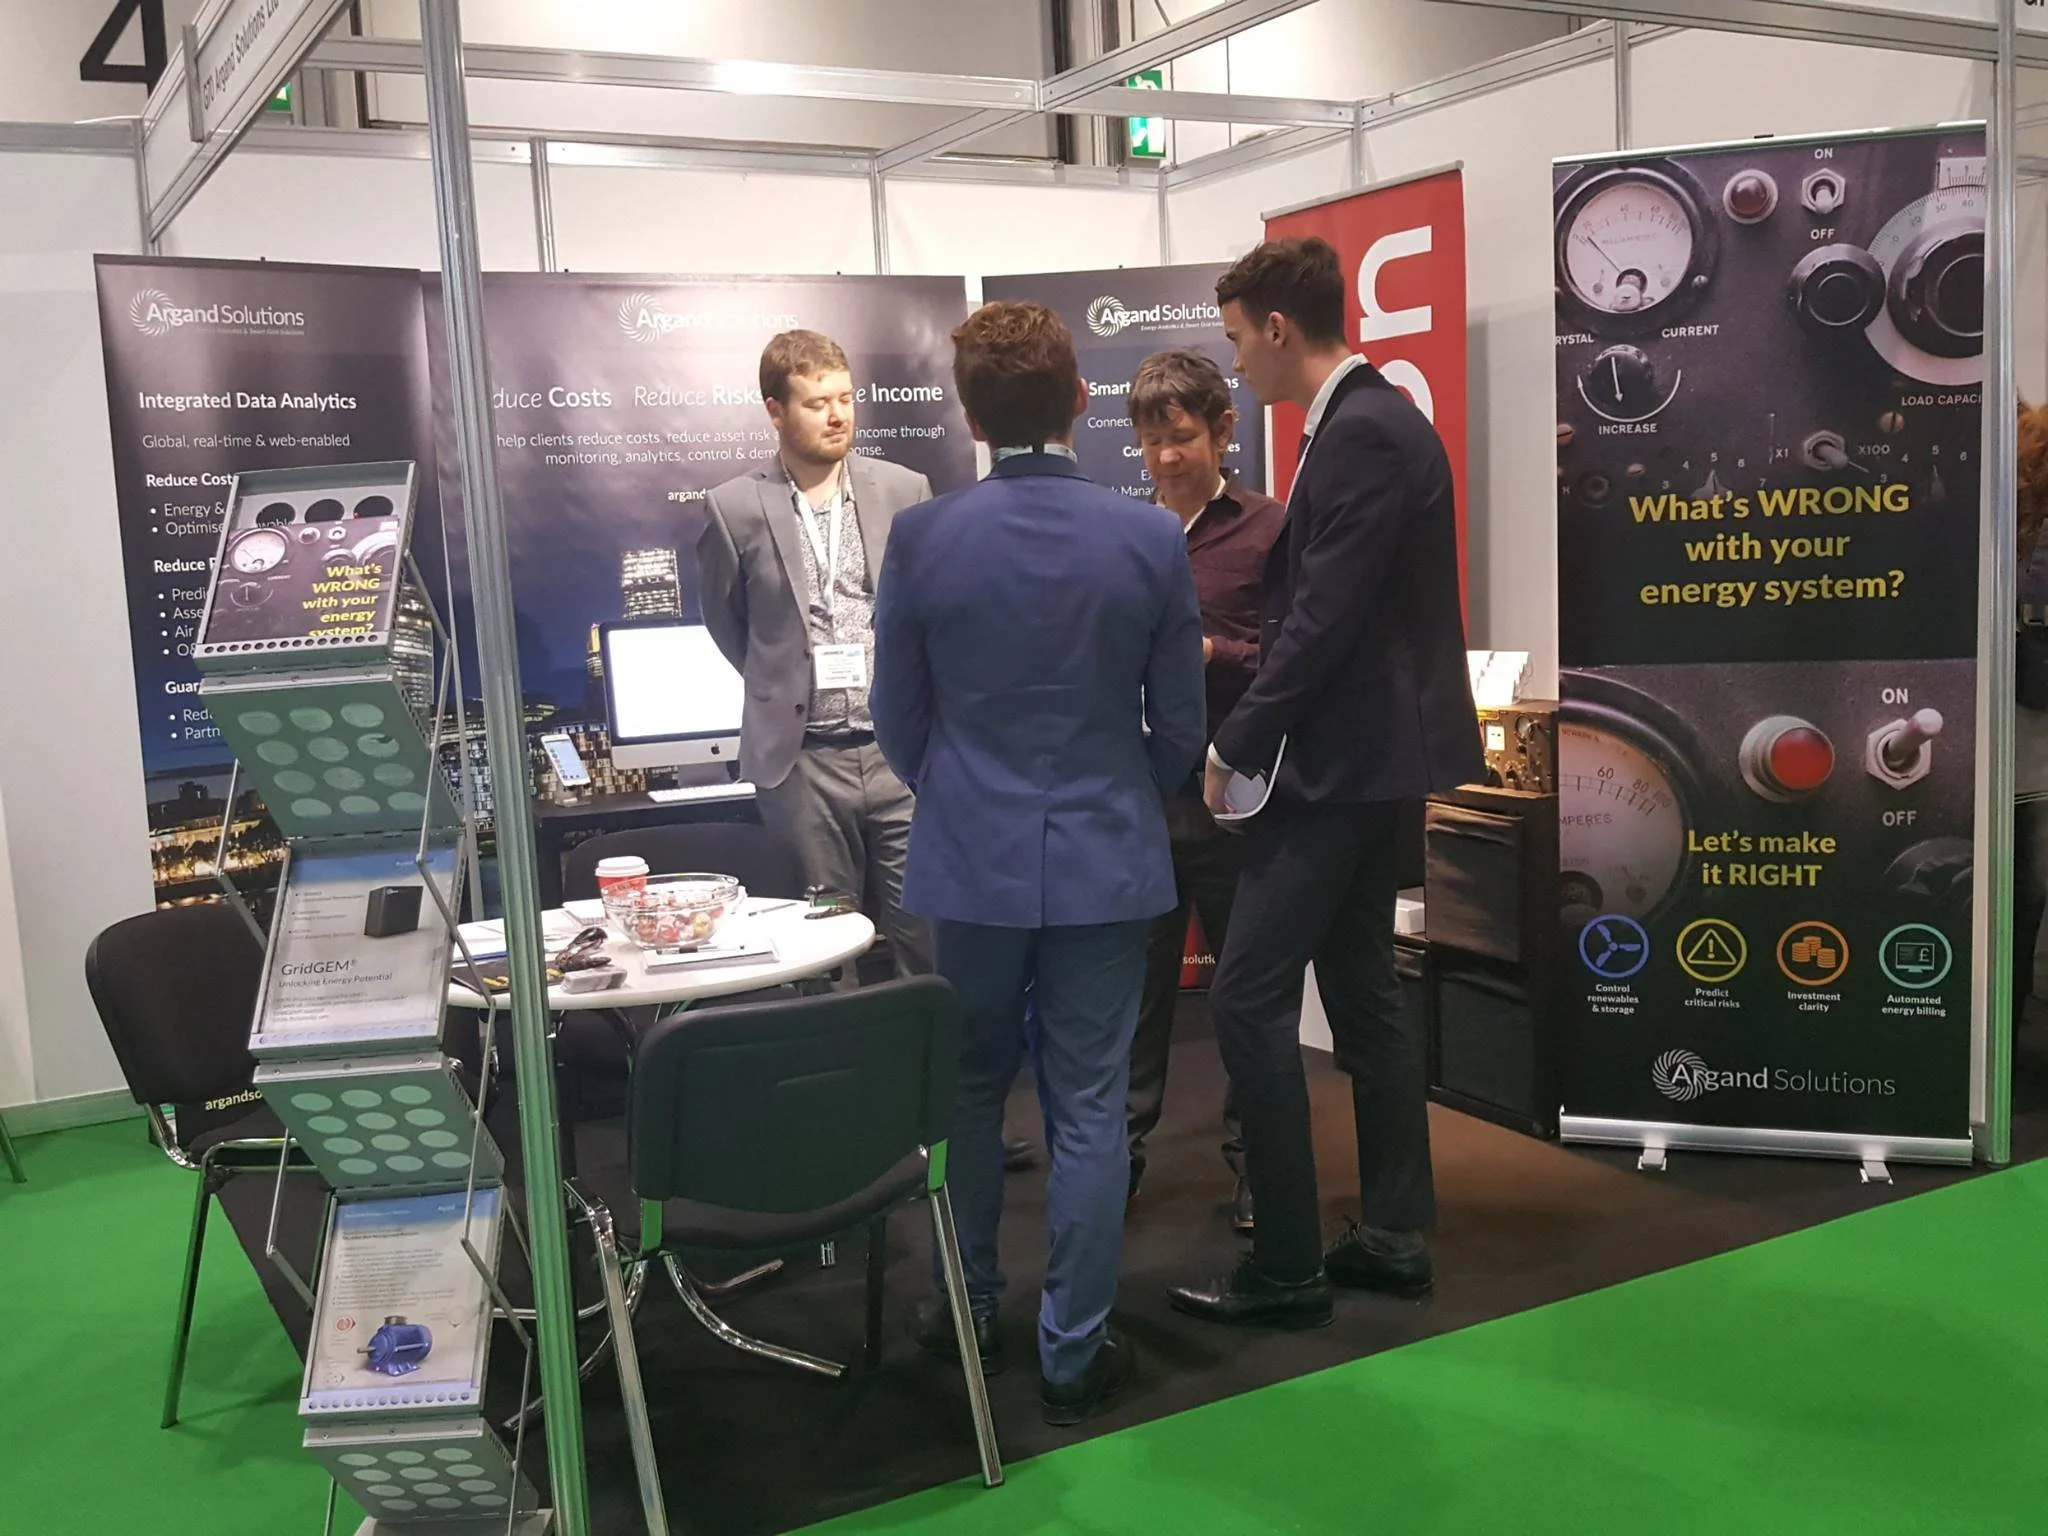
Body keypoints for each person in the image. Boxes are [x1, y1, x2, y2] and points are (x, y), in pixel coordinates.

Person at [871, 300, 1207, 1424]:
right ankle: (1074, 1348)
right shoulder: (1151, 535)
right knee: (1089, 1106)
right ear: (1078, 402)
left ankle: (965, 1311)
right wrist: (1119, 786)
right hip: (1110, 859)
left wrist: (966, 795)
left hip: (971, 860)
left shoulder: (922, 537)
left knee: (965, 1093)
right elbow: (1183, 730)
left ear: (969, 415)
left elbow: (896, 721)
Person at [1167, 237, 1482, 1330]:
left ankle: (1286, 1264)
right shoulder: (1367, 422)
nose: (1235, 363)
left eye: (1237, 337)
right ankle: (1392, 1235)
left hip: (1341, 771)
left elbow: (1320, 622)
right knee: (1361, 995)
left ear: (1277, 328)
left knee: (1248, 997)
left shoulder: (1358, 433)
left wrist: (1236, 742)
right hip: (1366, 765)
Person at [697, 330, 934, 978]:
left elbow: (929, 608)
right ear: (774, 410)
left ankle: (942, 1069)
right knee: (825, 940)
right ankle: (842, 1069)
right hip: (802, 763)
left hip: (900, 756)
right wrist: (777, 679)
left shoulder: (904, 489)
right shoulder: (733, 507)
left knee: (928, 929)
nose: (837, 415)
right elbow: (725, 620)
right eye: (816, 402)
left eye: (845, 398)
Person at [1122, 349, 1286, 1228]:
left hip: (1240, 795)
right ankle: (1117, 1160)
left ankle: (1261, 1168)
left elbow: (1299, 655)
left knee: (1247, 999)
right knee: (1134, 996)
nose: (1164, 458)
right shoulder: (1128, 537)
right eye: (1150, 441)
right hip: (1144, 798)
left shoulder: (1269, 529)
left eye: (1180, 438)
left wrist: (1220, 655)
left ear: (1223, 430)